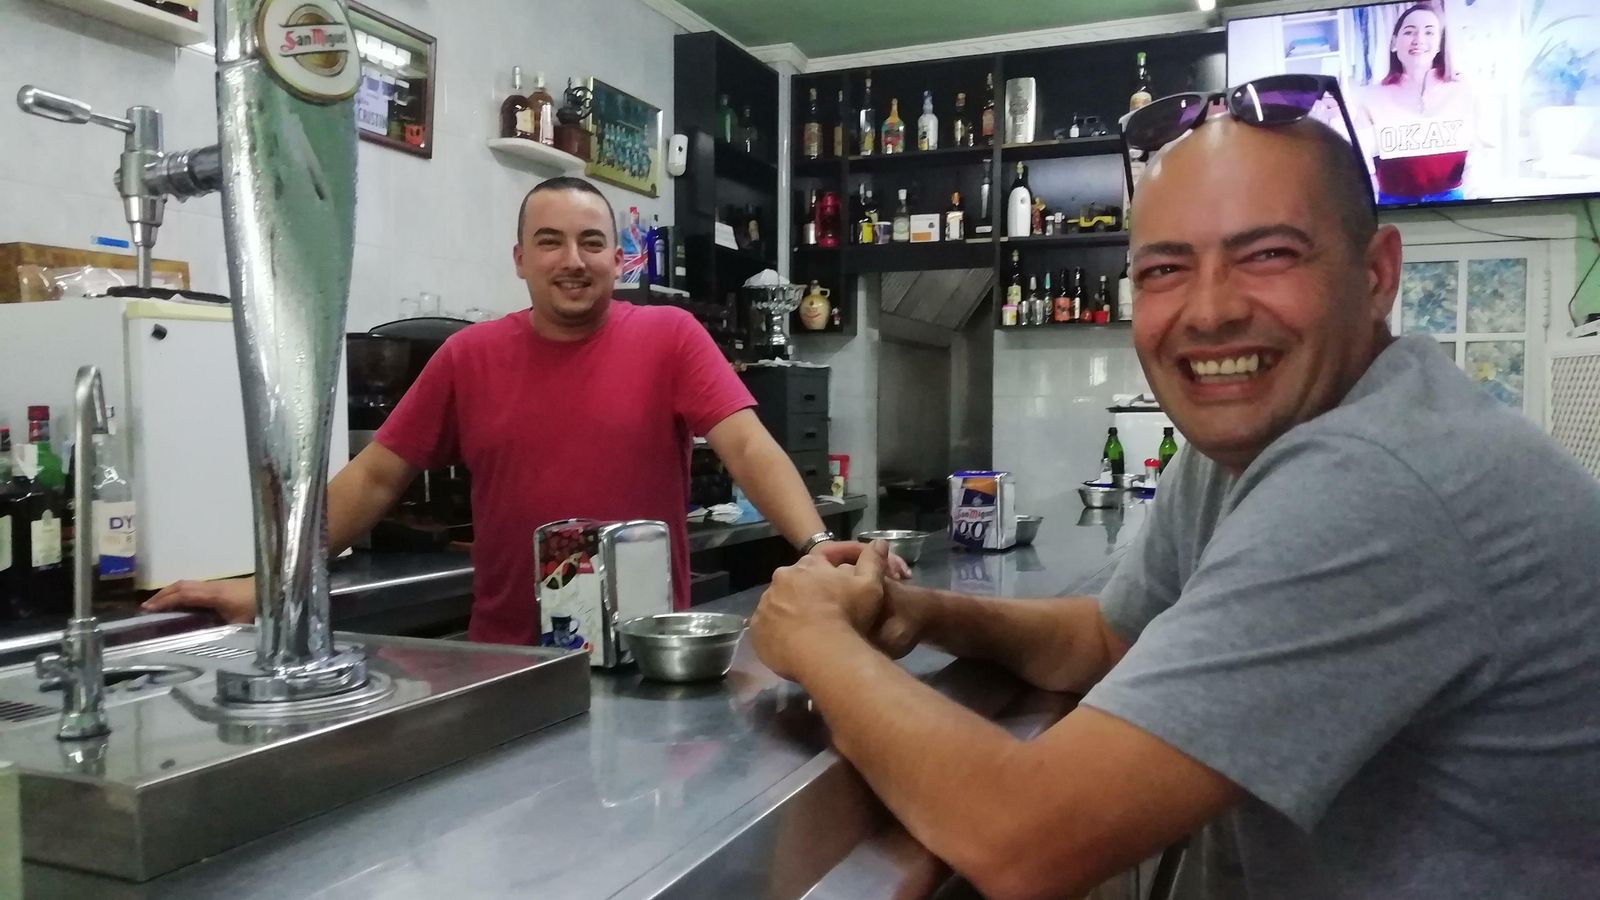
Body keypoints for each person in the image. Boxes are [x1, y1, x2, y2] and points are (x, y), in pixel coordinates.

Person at [748, 110, 1600, 897]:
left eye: (1269, 254)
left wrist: (816, 638)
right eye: (1164, 269)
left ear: (1376, 274)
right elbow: (1107, 640)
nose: (1212, 309)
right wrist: (919, 610)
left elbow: (1024, 837)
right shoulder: (1254, 444)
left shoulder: (1379, 473)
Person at [147, 177, 901, 642]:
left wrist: (810, 547)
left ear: (618, 258)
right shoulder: (468, 356)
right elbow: (374, 478)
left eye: (591, 242)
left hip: (644, 644)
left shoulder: (670, 336)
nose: (572, 260)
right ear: (519, 259)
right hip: (503, 656)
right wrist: (271, 585)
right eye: (549, 242)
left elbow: (748, 446)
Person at [1350, 2, 1478, 204]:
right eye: (1409, 32)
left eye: (1429, 32)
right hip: (1393, 202)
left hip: (1453, 200)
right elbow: (1360, 157)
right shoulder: (1371, 96)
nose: (1418, 40)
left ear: (1440, 44)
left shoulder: (1462, 90)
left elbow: (1482, 151)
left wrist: (1474, 199)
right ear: (1394, 43)